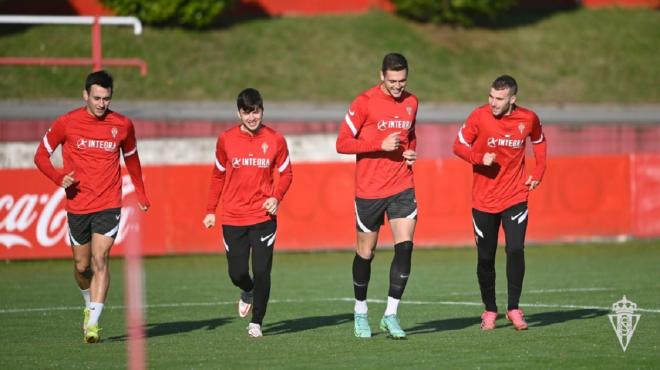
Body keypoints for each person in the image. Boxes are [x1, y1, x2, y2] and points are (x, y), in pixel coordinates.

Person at [34, 70, 150, 343]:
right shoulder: (67, 123)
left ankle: (94, 323)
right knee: (82, 265)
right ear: (85, 95)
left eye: (106, 98)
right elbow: (40, 155)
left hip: (109, 203)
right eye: (96, 98)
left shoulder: (122, 125)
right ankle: (89, 304)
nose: (101, 104)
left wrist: (141, 193)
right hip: (77, 204)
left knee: (101, 259)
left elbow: (132, 159)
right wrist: (58, 177)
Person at [453, 75, 547, 331]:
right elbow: (458, 146)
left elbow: (539, 141)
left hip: (515, 196)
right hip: (483, 200)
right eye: (491, 97)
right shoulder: (479, 116)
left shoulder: (528, 119)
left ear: (512, 99)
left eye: (499, 98)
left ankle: (514, 308)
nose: (493, 102)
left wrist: (538, 173)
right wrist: (479, 157)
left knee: (515, 249)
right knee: (486, 257)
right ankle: (490, 309)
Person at [336, 53, 418, 339]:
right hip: (369, 190)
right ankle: (360, 312)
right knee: (365, 253)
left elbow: (411, 135)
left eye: (402, 80)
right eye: (392, 80)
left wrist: (410, 153)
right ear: (381, 75)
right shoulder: (364, 102)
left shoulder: (412, 102)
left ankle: (391, 315)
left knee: (405, 247)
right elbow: (342, 143)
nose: (398, 86)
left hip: (402, 185)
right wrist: (378, 144)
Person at [203, 88, 293, 338]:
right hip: (233, 217)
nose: (252, 117)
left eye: (256, 111)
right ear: (238, 113)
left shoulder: (276, 139)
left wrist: (276, 197)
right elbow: (218, 175)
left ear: (262, 110)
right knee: (238, 273)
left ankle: (257, 322)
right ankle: (247, 289)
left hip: (264, 218)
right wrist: (211, 210)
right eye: (247, 112)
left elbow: (286, 174)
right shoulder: (226, 139)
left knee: (263, 270)